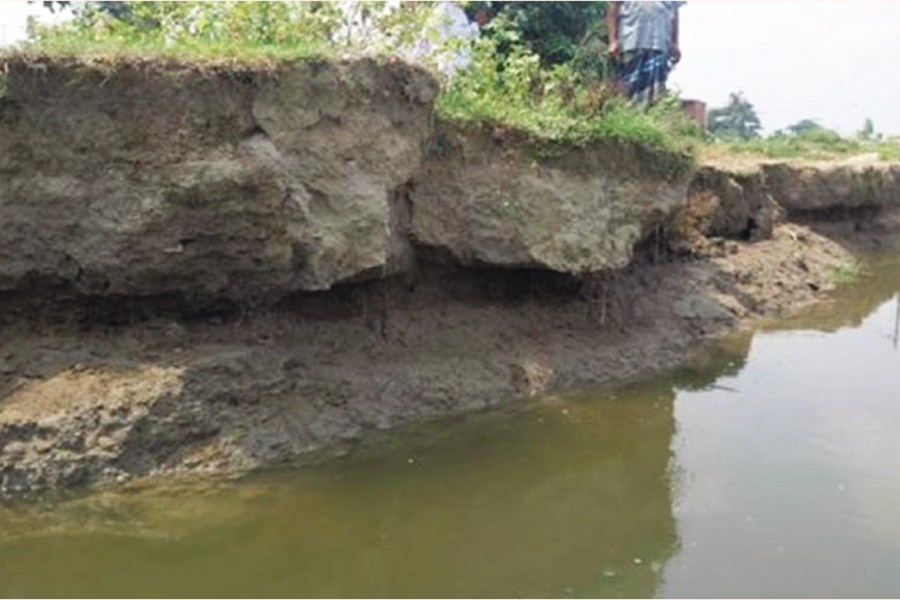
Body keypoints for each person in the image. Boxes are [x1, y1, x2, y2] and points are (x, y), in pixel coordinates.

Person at [606, 2, 684, 104]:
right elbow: (613, 8)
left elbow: (674, 14)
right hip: (631, 42)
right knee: (629, 90)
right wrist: (613, 41)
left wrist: (674, 43)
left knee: (656, 94)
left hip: (659, 44)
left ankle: (651, 118)